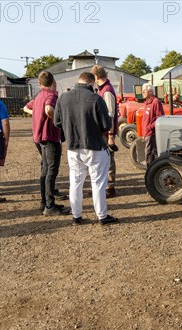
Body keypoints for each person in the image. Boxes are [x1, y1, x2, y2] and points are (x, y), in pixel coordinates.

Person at [53, 72, 117, 225]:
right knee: (98, 183)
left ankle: (76, 215)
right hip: (94, 146)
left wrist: (69, 128)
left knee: (75, 182)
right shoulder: (96, 99)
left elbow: (56, 122)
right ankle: (102, 216)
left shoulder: (63, 98)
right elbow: (107, 125)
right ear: (92, 83)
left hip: (73, 147)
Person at [23, 71, 70, 215]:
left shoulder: (38, 96)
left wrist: (37, 114)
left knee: (45, 170)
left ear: (39, 83)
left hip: (39, 137)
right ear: (53, 82)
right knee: (51, 171)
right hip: (50, 137)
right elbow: (49, 108)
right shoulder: (52, 95)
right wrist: (57, 120)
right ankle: (49, 206)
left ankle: (44, 202)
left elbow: (26, 107)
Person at [91, 65, 119, 198]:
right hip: (103, 132)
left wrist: (110, 135)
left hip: (106, 132)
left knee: (108, 159)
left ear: (96, 77)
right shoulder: (103, 89)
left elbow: (110, 115)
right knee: (104, 159)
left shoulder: (106, 91)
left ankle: (110, 187)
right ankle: (106, 186)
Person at [141, 83, 165, 167]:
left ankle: (150, 172)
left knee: (149, 153)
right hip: (146, 132)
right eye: (142, 91)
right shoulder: (147, 103)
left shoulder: (155, 102)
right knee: (148, 153)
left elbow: (160, 118)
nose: (143, 92)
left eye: (144, 91)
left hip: (151, 133)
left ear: (151, 91)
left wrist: (150, 127)